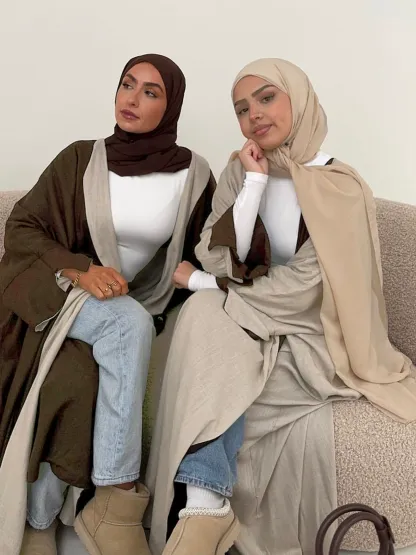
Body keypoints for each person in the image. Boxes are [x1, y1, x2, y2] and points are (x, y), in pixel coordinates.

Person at [146, 58, 416, 555]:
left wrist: (205, 283)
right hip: (245, 324)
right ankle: (205, 510)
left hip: (312, 337)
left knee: (213, 362)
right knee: (202, 319)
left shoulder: (340, 185)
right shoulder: (239, 170)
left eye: (267, 98)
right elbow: (216, 252)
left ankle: (202, 507)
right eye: (241, 108)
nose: (254, 114)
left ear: (300, 99)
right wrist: (253, 184)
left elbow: (304, 290)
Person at [0, 54, 215, 555]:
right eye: (126, 85)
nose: (131, 99)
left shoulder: (194, 175)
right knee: (126, 327)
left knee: (76, 377)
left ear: (171, 106)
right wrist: (81, 269)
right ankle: (116, 502)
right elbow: (22, 227)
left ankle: (39, 520)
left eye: (150, 92)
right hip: (55, 292)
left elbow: (204, 248)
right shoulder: (81, 158)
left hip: (132, 304)